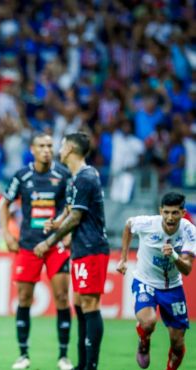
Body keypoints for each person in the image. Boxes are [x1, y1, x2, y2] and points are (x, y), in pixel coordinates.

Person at [34, 132, 110, 370]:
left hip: (92, 247)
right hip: (80, 247)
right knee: (79, 302)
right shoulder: (77, 178)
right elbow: (70, 210)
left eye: (62, 144)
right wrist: (57, 222)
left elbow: (77, 216)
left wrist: (49, 242)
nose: (59, 149)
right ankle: (83, 363)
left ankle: (91, 365)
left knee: (90, 304)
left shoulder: (86, 177)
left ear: (70, 149)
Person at [0, 133, 73, 370]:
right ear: (32, 149)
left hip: (56, 244)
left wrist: (68, 231)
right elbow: (4, 203)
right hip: (29, 245)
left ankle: (63, 356)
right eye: (42, 146)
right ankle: (23, 355)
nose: (46, 150)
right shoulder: (23, 175)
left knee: (62, 298)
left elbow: (72, 207)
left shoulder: (63, 174)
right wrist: (7, 234)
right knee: (24, 298)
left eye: (50, 146)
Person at [116, 192, 196, 370]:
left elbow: (188, 269)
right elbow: (128, 226)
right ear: (160, 211)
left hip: (173, 287)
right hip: (146, 281)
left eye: (175, 213)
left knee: (177, 342)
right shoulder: (147, 223)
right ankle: (144, 342)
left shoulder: (189, 231)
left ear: (183, 213)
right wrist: (123, 258)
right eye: (166, 212)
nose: (169, 217)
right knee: (148, 322)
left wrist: (174, 255)